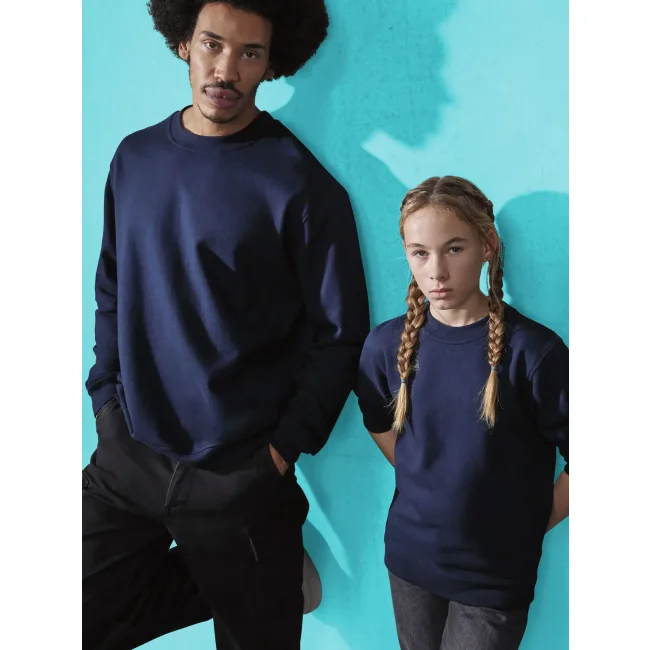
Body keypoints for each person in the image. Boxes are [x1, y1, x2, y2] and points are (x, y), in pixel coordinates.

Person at [82, 1, 369, 648]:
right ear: (184, 42)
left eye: (250, 53)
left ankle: (271, 573)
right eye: (213, 44)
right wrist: (105, 402)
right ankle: (268, 577)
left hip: (242, 472)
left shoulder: (302, 185)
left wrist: (280, 452)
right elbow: (112, 288)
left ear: (272, 64)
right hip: (131, 454)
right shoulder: (135, 160)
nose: (226, 70)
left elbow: (339, 335)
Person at [356, 175, 569, 650]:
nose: (436, 271)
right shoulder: (385, 345)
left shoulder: (536, 353)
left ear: (487, 244)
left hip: (492, 579)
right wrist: (430, 482)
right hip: (410, 563)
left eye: (454, 249)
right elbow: (379, 424)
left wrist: (527, 523)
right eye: (420, 253)